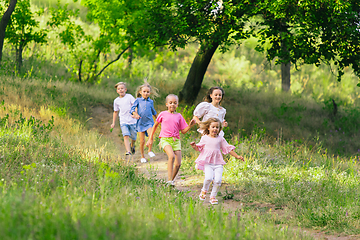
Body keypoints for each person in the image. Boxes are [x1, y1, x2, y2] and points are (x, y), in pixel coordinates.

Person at [190, 118, 244, 205]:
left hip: (218, 163)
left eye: (217, 127)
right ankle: (204, 191)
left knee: (218, 181)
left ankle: (213, 196)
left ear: (219, 129)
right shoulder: (204, 138)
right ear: (208, 128)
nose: (215, 129)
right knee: (208, 178)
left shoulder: (220, 139)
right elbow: (198, 148)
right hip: (208, 163)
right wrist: (194, 146)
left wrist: (237, 156)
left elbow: (228, 149)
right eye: (213, 127)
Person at [146, 94, 196, 185]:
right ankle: (169, 180)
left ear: (177, 105)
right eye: (170, 103)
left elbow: (183, 131)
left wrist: (190, 126)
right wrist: (150, 138)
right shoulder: (162, 114)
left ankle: (171, 182)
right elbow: (155, 126)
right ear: (166, 104)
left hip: (176, 140)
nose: (172, 104)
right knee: (171, 156)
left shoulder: (179, 116)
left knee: (178, 164)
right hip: (165, 139)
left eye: (175, 103)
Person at [130, 83, 158, 163]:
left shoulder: (151, 102)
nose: (146, 93)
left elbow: (153, 111)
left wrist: (158, 118)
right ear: (140, 92)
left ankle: (149, 150)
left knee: (151, 136)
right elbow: (132, 110)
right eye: (144, 91)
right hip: (141, 122)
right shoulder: (138, 100)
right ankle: (142, 156)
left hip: (149, 122)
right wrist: (136, 114)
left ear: (150, 93)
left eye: (148, 92)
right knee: (142, 141)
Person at [111, 82, 137, 156]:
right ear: (117, 91)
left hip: (132, 120)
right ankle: (128, 151)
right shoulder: (116, 101)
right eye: (119, 89)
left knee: (134, 137)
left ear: (125, 89)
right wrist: (113, 123)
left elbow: (135, 105)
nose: (120, 90)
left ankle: (132, 145)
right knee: (125, 135)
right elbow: (115, 112)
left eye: (122, 88)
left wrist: (135, 114)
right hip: (123, 120)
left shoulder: (129, 97)